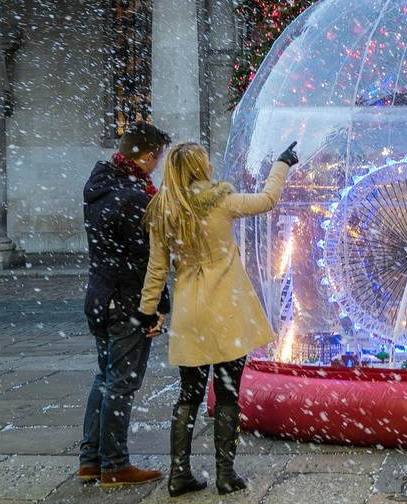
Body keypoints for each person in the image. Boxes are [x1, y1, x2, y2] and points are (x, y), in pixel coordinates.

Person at [137, 140, 298, 497]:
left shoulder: (164, 209)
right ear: (199, 167)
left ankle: (179, 474)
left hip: (191, 313)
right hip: (226, 310)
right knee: (227, 395)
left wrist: (147, 310)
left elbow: (157, 268)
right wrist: (281, 164)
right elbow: (267, 200)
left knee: (188, 395)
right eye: (206, 161)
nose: (211, 166)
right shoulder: (222, 200)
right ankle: (226, 474)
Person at [79, 121, 172, 487]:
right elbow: (148, 261)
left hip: (100, 298)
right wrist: (156, 307)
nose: (158, 165)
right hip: (126, 302)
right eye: (158, 158)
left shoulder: (102, 187)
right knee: (121, 384)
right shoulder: (134, 197)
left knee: (104, 379)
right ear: (148, 157)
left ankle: (91, 460)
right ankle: (115, 465)